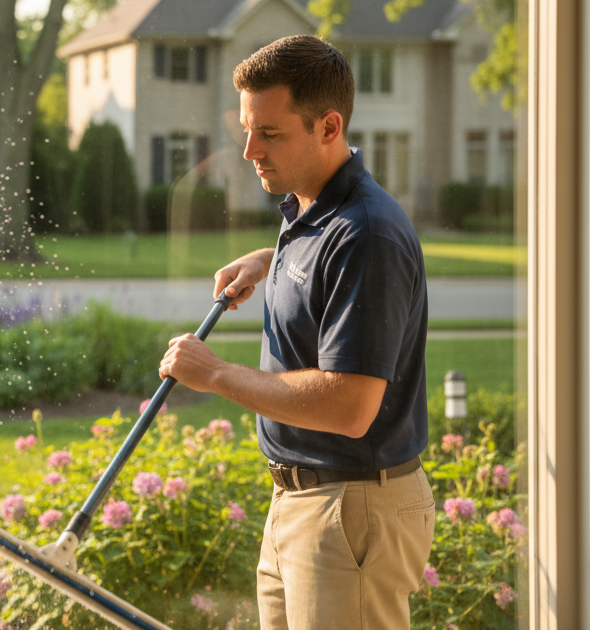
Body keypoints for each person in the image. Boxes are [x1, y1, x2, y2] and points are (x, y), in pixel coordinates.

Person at [158, 34, 434, 630]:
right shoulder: (311, 210)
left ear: (328, 126)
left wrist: (216, 374)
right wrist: (273, 259)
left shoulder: (365, 233)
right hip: (301, 502)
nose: (250, 150)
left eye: (270, 133)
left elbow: (350, 405)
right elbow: (326, 262)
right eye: (247, 129)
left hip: (351, 507)